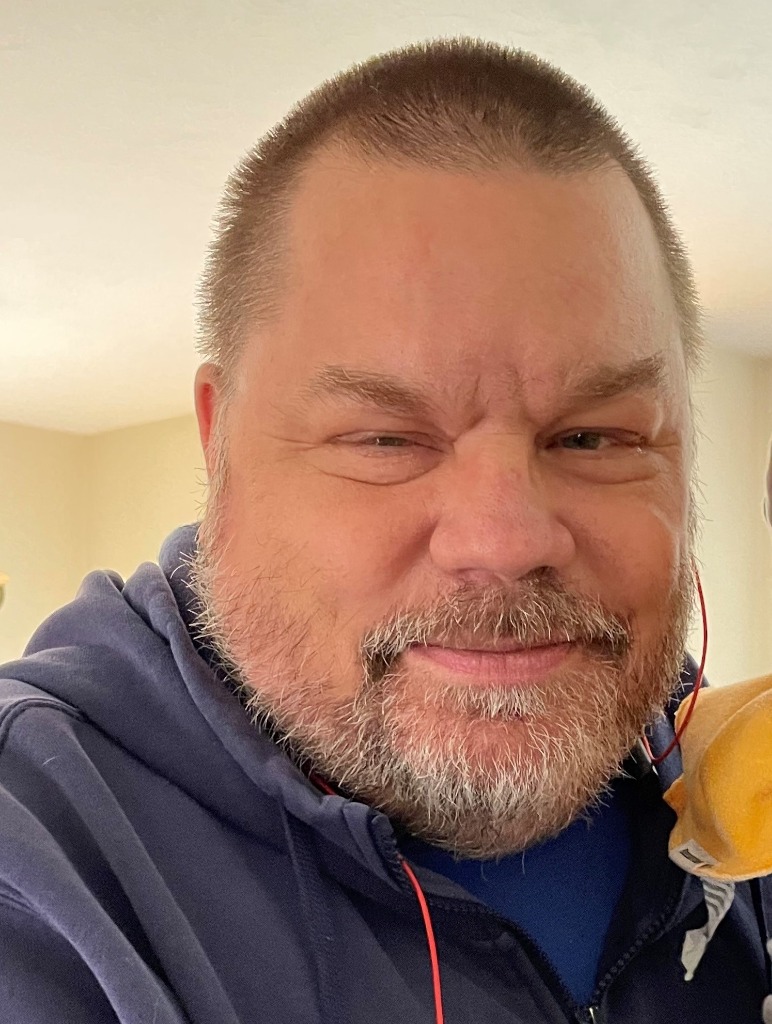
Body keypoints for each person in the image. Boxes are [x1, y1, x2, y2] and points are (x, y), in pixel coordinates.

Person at [0, 38, 769, 1024]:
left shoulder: (729, 786)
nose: (504, 541)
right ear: (221, 443)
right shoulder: (39, 855)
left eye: (591, 436)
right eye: (385, 438)